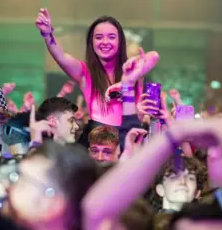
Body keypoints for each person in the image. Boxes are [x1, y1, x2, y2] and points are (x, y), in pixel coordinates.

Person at [36, 9, 159, 146]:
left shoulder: (131, 70)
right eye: (99, 37)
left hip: (129, 136)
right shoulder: (84, 72)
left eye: (111, 37)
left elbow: (153, 56)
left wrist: (123, 84)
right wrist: (47, 34)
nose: (105, 42)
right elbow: (60, 56)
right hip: (95, 139)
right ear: (91, 42)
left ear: (120, 42)